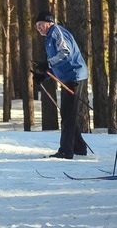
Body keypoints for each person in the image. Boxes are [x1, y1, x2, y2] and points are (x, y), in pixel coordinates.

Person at [32, 10, 88, 159]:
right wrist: (43, 76)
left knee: (68, 114)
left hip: (74, 75)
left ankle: (66, 150)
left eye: (41, 24)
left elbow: (65, 52)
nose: (39, 28)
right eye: (37, 26)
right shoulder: (49, 38)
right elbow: (57, 64)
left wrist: (47, 63)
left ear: (49, 22)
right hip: (67, 77)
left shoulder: (57, 32)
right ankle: (79, 147)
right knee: (66, 113)